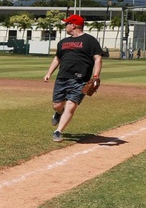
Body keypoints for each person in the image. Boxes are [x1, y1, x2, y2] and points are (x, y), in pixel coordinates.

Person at [43, 14, 103, 143]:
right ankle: (59, 113)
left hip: (80, 80)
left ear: (73, 25)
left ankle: (58, 131)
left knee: (71, 105)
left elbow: (98, 58)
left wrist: (96, 76)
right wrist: (49, 73)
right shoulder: (63, 42)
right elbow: (57, 58)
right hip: (62, 78)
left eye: (67, 24)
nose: (65, 26)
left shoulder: (90, 40)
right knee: (57, 105)